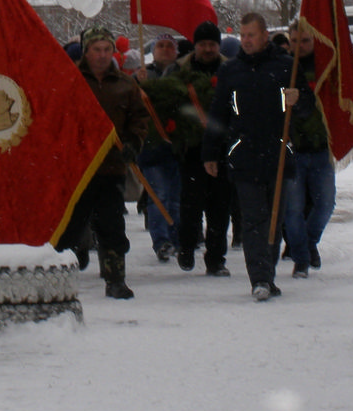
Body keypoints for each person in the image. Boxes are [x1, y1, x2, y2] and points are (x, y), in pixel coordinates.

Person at [202, 12, 311, 302]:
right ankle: (259, 278)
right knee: (253, 220)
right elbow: (218, 114)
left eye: (251, 35)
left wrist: (297, 101)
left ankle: (268, 273)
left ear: (265, 36)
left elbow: (307, 109)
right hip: (244, 154)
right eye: (243, 35)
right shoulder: (231, 71)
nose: (246, 40)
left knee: (274, 219)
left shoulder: (287, 67)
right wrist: (211, 152)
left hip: (278, 153)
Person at [57, 26, 149, 299]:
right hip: (77, 169)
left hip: (111, 167)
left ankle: (115, 277)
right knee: (70, 226)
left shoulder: (125, 84)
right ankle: (60, 275)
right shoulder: (68, 80)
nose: (102, 55)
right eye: (96, 49)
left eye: (107, 50)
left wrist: (133, 143)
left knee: (112, 225)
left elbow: (139, 119)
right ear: (86, 51)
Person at [175, 20, 232, 276]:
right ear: (195, 46)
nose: (208, 49)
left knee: (220, 208)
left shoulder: (230, 70)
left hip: (223, 149)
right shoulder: (179, 71)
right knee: (191, 206)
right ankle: (186, 247)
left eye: (212, 44)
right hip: (191, 150)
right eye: (203, 44)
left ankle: (216, 259)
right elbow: (168, 101)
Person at [282, 24, 336, 279]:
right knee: (293, 209)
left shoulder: (326, 68)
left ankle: (308, 243)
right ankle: (301, 259)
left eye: (304, 40)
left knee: (325, 204)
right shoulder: (283, 68)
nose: (299, 45)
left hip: (322, 148)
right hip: (293, 148)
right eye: (294, 40)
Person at [137, 33, 183, 262]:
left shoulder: (183, 75)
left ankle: (176, 237)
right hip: (152, 149)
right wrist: (139, 84)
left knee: (176, 197)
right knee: (159, 196)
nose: (165, 50)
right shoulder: (143, 75)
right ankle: (161, 241)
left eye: (169, 46)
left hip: (178, 147)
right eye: (160, 46)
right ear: (153, 50)